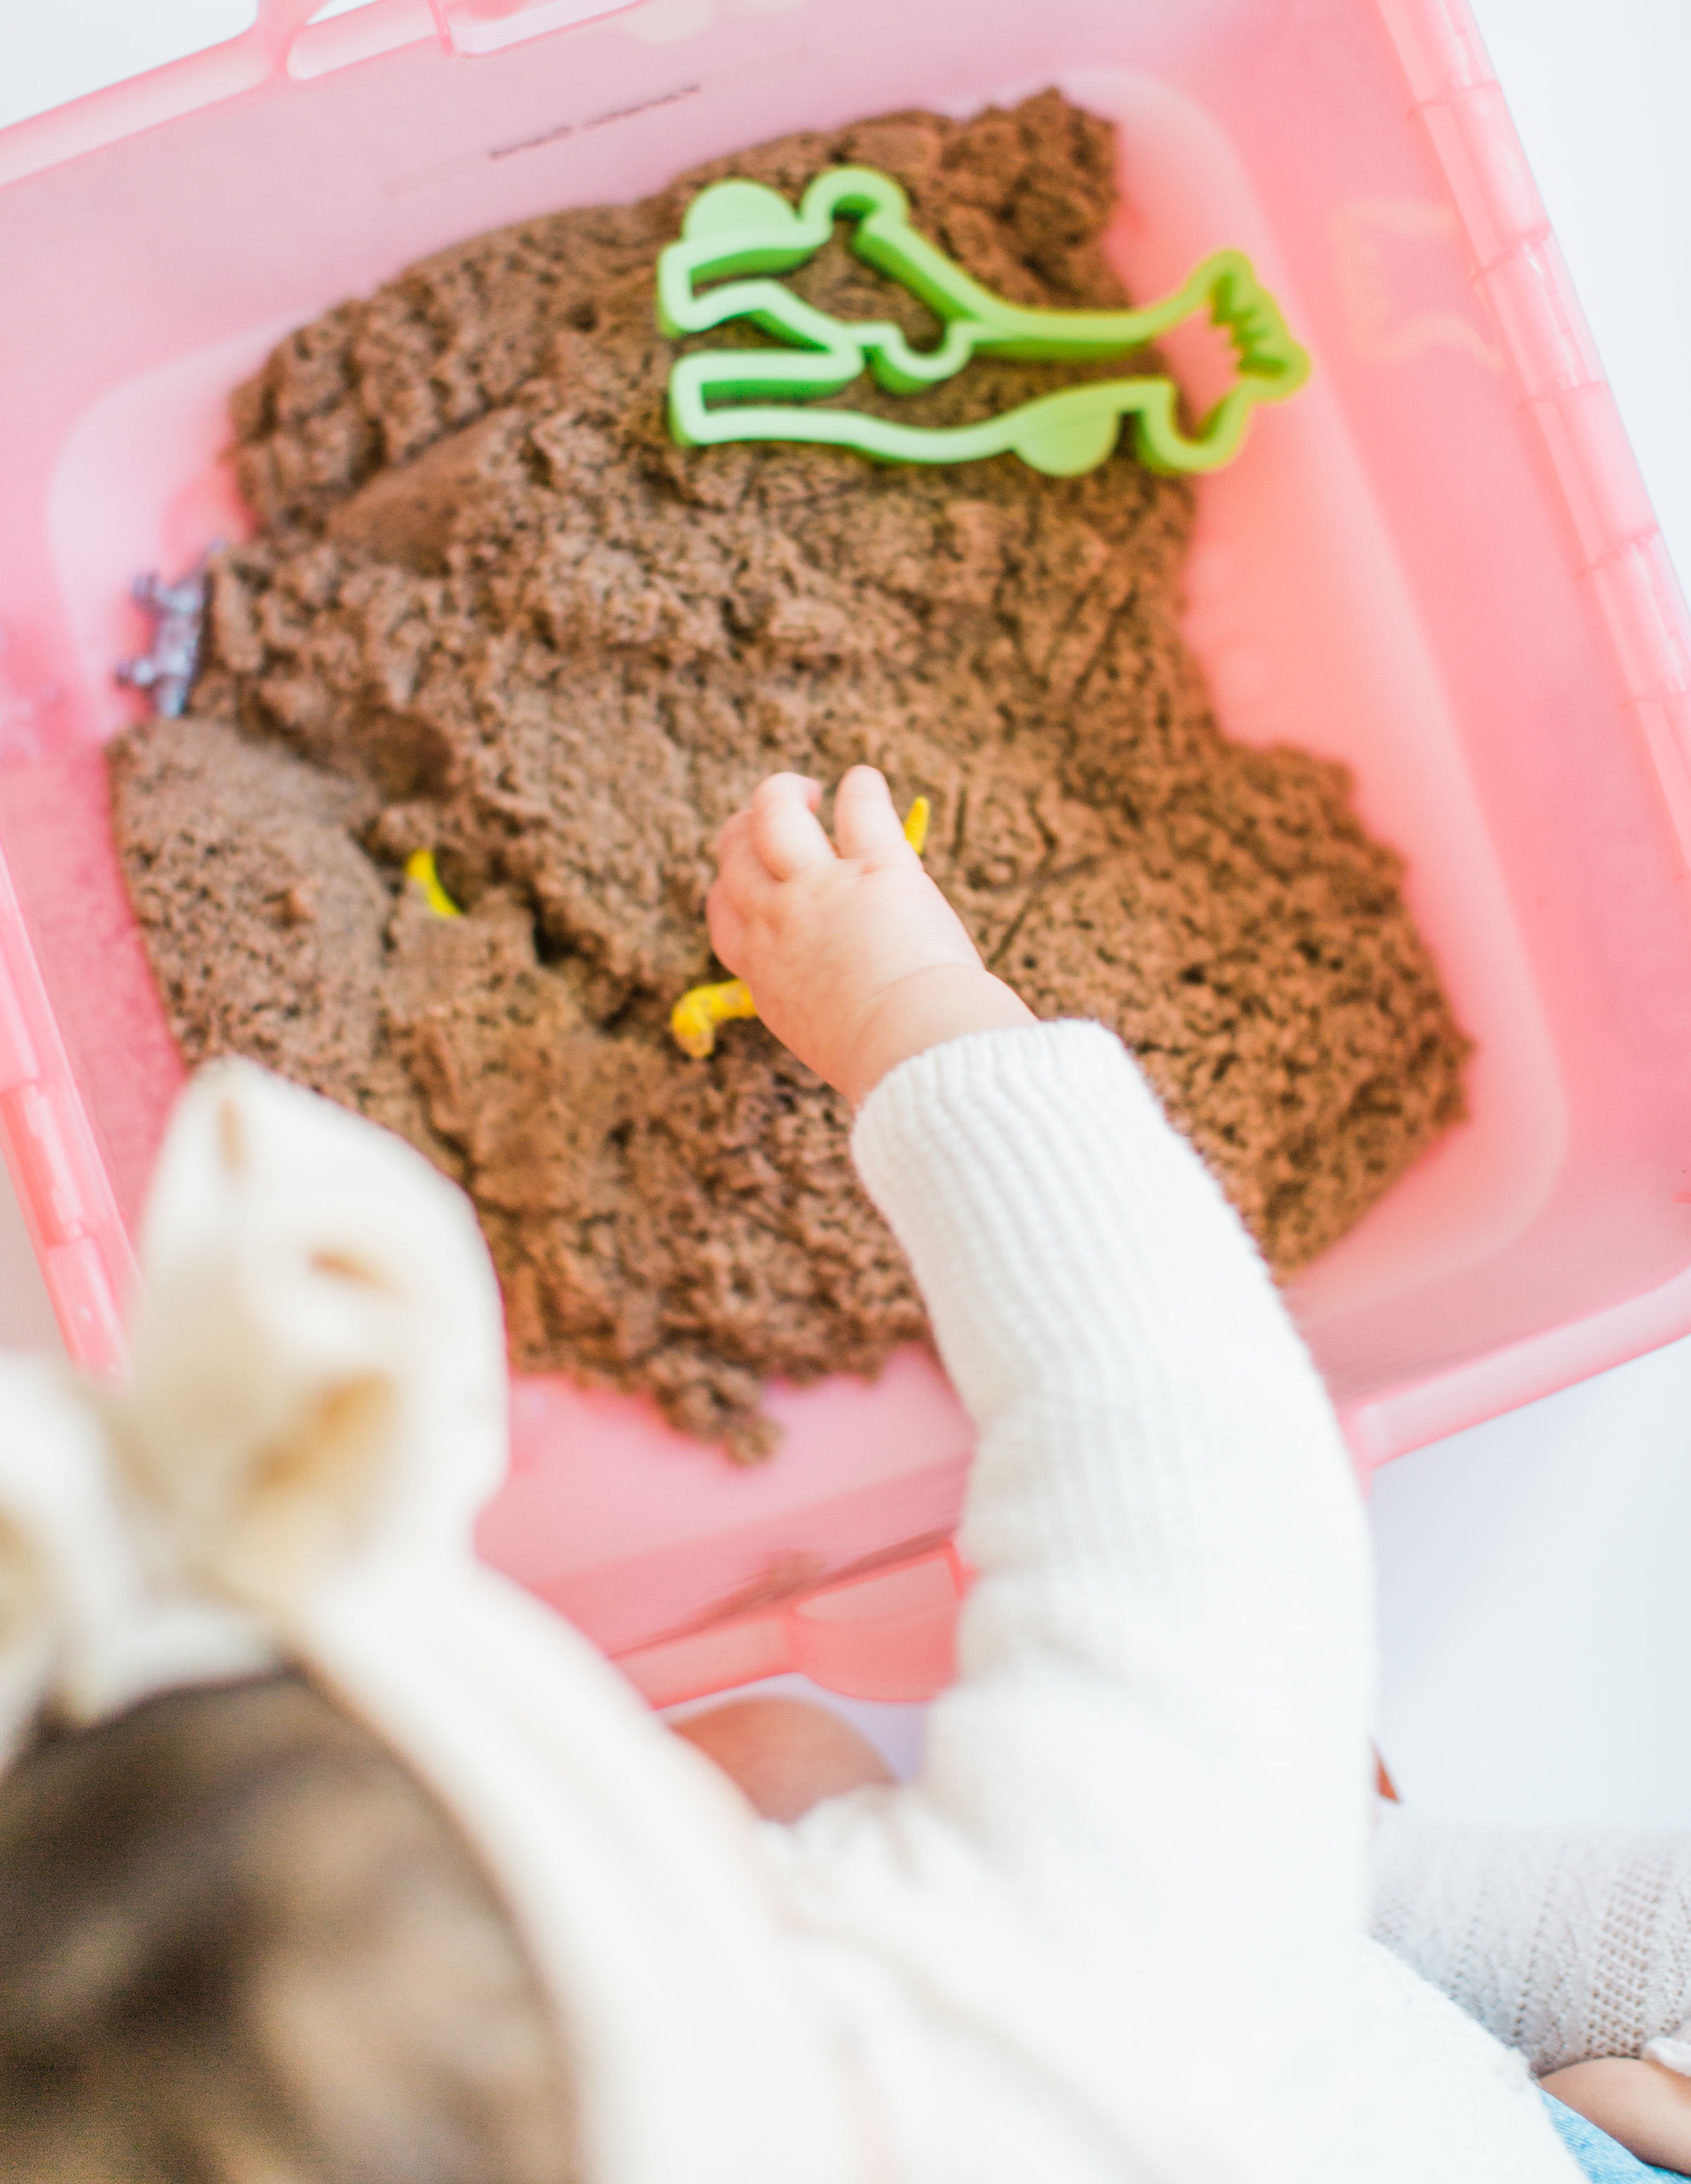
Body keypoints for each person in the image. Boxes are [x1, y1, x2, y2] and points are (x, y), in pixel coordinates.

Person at [0, 761, 1685, 2181]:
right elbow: (1179, 1432)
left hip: (1284, 2049)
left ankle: (1379, 1930)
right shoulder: (1084, 1933)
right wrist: (907, 1013)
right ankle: (1392, 1927)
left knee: (776, 1758)